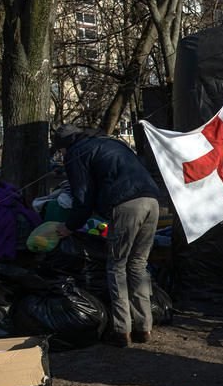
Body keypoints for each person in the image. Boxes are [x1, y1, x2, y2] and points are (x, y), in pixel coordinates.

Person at [51, 124, 161, 348]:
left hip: (126, 205)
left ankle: (122, 331)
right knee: (138, 265)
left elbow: (82, 196)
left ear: (65, 146)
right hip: (153, 201)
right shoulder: (110, 143)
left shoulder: (76, 153)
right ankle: (144, 326)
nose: (61, 155)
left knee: (117, 266)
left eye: (59, 151)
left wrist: (69, 226)